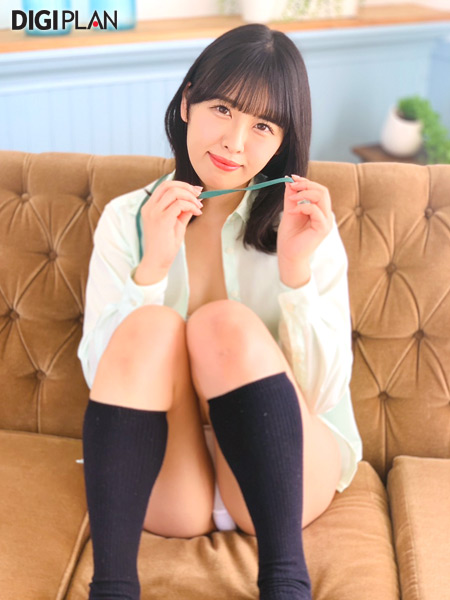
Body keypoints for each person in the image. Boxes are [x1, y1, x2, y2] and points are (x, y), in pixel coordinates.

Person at [78, 23, 363, 600]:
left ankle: (286, 581)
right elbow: (104, 383)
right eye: (223, 109)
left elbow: (322, 394)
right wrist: (152, 268)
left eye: (262, 126)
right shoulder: (126, 219)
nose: (235, 142)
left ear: (281, 141)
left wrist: (295, 273)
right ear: (187, 103)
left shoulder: (305, 225)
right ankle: (111, 588)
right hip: (166, 474)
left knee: (222, 324)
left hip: (286, 472)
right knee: (153, 325)